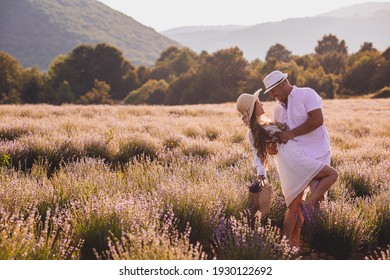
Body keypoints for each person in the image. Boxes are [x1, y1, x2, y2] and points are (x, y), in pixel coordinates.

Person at [236, 89, 338, 249]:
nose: (261, 103)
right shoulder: (253, 132)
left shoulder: (265, 123)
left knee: (295, 205)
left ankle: (293, 245)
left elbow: (275, 146)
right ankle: (305, 212)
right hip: (292, 161)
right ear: (252, 109)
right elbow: (258, 155)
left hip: (293, 159)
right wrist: (261, 174)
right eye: (258, 103)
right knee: (332, 174)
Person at [263, 70, 332, 206]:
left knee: (319, 199)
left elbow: (317, 120)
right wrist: (272, 148)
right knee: (296, 200)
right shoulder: (277, 110)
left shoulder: (307, 94)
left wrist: (291, 133)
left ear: (282, 84)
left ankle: (319, 226)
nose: (272, 94)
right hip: (296, 159)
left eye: (273, 90)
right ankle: (303, 224)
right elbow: (279, 137)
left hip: (317, 153)